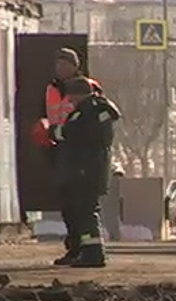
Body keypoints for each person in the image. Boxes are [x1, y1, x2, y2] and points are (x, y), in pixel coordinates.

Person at [48, 76, 120, 268]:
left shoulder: (90, 111)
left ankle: (93, 254)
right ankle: (83, 251)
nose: (69, 101)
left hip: (86, 170)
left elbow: (78, 134)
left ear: (78, 95)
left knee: (85, 212)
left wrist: (53, 132)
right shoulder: (93, 110)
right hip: (85, 169)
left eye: (71, 97)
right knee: (78, 212)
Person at [42, 47, 102, 266]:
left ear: (75, 65)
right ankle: (76, 247)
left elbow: (89, 124)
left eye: (64, 64)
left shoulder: (87, 87)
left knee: (82, 207)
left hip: (78, 151)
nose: (59, 68)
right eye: (57, 64)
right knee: (68, 204)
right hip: (59, 147)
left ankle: (86, 249)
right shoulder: (53, 88)